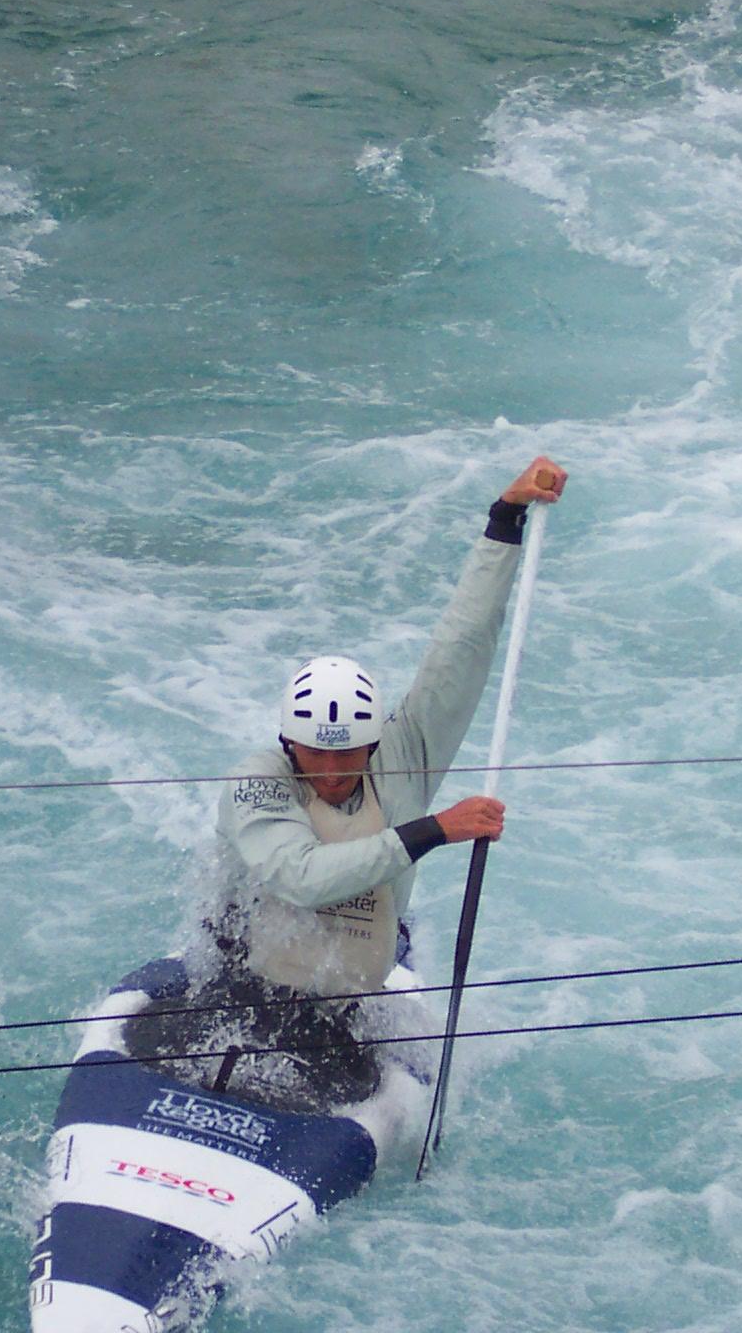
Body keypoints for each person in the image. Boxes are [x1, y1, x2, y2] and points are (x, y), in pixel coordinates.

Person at [174, 456, 566, 1107]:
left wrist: (505, 519)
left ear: (372, 741)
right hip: (244, 989)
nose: (332, 773)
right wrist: (435, 830)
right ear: (287, 741)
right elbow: (298, 875)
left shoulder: (402, 754)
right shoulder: (255, 784)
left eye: (349, 755)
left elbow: (460, 648)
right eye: (315, 756)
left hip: (352, 993)